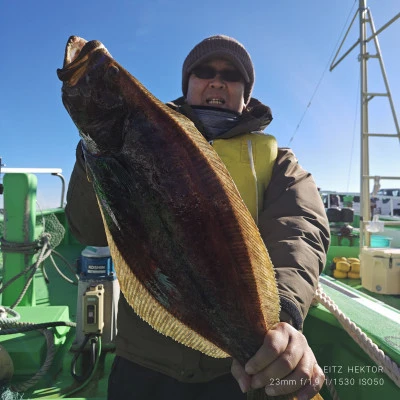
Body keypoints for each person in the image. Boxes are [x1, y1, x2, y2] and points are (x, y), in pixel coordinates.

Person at [65, 34, 330, 399]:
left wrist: (280, 318)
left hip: (235, 375)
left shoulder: (281, 164)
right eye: (204, 71)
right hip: (145, 363)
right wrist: (91, 149)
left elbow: (299, 231)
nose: (217, 80)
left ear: (246, 94)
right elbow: (87, 230)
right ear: (187, 86)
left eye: (231, 75)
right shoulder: (128, 136)